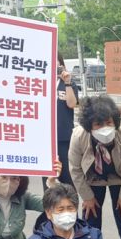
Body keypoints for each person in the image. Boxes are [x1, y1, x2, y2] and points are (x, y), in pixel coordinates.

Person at [69, 94, 121, 239]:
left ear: (115, 121)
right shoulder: (78, 136)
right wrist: (87, 196)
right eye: (98, 124)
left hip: (119, 177)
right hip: (92, 178)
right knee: (90, 215)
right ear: (89, 125)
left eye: (108, 123)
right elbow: (75, 169)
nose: (104, 128)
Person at [51, 54, 79, 188]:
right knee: (50, 181)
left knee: (68, 180)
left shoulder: (68, 83)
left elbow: (72, 104)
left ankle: (70, 208)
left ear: (61, 64)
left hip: (65, 138)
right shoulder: (39, 83)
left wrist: (67, 82)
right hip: (47, 142)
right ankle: (52, 209)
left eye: (55, 61)